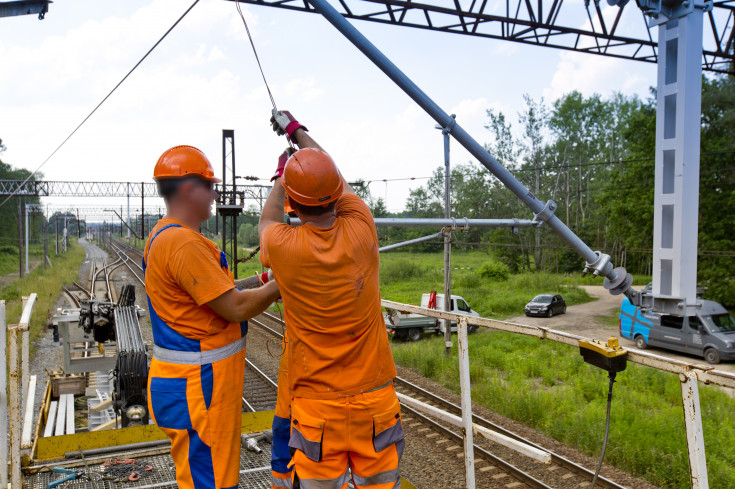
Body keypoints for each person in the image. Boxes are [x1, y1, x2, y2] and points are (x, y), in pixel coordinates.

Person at [259, 111, 404, 489]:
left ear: (294, 200)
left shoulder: (283, 246)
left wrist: (281, 177)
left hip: (317, 408)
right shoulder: (361, 225)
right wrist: (297, 132)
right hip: (375, 400)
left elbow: (267, 223)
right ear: (335, 194)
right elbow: (334, 176)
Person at [145, 145, 280, 489]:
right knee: (210, 481)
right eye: (210, 185)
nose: (216, 194)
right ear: (188, 188)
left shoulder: (168, 236)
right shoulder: (183, 244)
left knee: (207, 476)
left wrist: (263, 281)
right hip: (198, 390)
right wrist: (283, 283)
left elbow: (218, 292)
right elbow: (234, 307)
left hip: (191, 385)